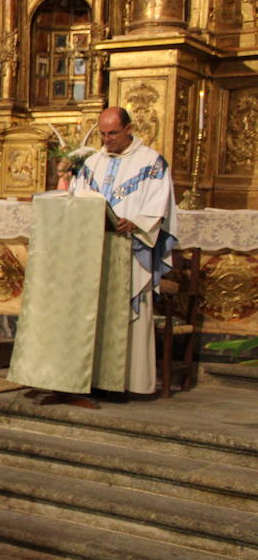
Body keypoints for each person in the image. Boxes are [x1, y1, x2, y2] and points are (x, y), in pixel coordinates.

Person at [70, 106, 176, 394]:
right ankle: (93, 381)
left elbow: (160, 203)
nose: (107, 139)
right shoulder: (92, 163)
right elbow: (77, 197)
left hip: (132, 248)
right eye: (103, 134)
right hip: (98, 249)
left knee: (132, 315)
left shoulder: (151, 162)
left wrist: (137, 222)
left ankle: (131, 383)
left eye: (113, 133)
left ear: (129, 129)